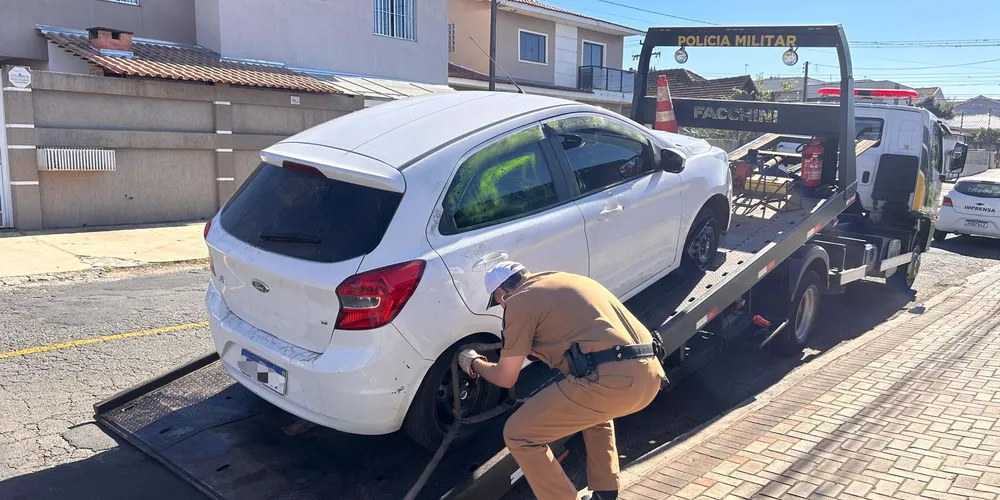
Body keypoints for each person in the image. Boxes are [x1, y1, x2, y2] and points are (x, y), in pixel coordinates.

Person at [458, 261, 666, 500]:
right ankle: (605, 492)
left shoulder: (519, 301)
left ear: (501, 294)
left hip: (612, 383)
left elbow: (505, 377)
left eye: (498, 303)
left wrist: (473, 362)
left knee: (518, 434)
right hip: (649, 375)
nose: (501, 307)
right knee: (594, 415)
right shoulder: (567, 280)